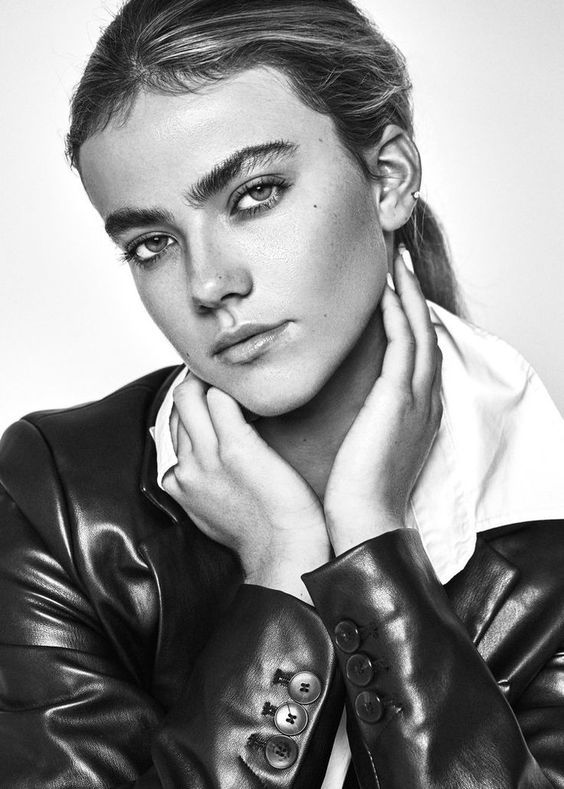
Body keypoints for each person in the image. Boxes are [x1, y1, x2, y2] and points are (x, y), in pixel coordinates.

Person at [0, 0, 563, 786]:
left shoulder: (546, 511)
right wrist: (281, 568)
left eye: (255, 193)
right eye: (153, 242)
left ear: (389, 178)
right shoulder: (56, 498)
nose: (209, 283)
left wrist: (372, 543)